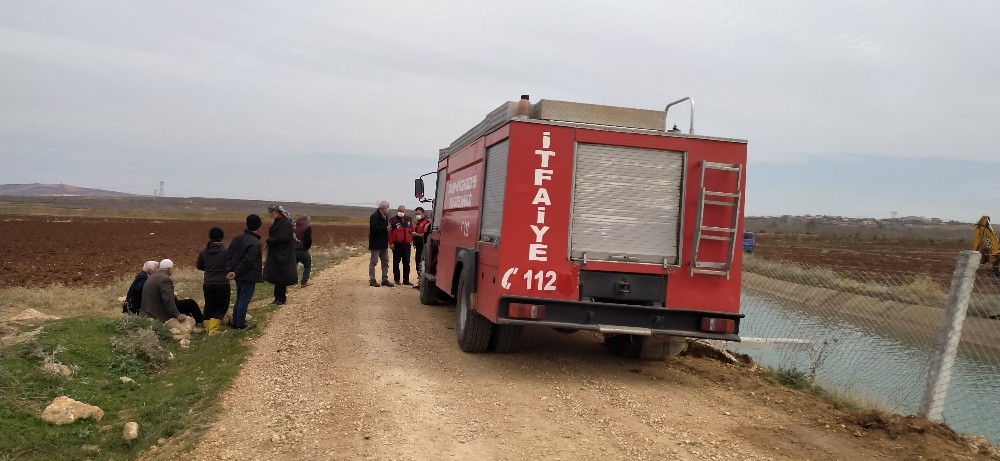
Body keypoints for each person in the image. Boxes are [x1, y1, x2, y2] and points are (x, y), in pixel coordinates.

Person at [227, 214, 263, 329]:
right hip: (247, 275)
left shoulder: (237, 238)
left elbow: (229, 255)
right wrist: (236, 272)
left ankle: (235, 322)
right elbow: (248, 261)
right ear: (259, 226)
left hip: (238, 275)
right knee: (244, 299)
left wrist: (231, 271)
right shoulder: (255, 242)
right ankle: (240, 325)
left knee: (240, 298)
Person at [264, 205, 297, 305]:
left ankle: (280, 299)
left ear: (278, 212)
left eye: (272, 212)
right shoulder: (281, 222)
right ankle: (278, 298)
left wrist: (270, 240)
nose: (271, 215)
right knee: (278, 276)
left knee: (280, 277)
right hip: (278, 253)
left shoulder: (285, 223)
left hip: (282, 254)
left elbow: (285, 237)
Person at [140, 259, 189, 323]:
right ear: (169, 269)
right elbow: (168, 299)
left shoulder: (152, 276)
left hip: (147, 311)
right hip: (156, 314)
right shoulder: (165, 279)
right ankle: (200, 323)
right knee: (190, 303)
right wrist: (177, 314)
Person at [197, 227, 230, 321]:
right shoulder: (226, 250)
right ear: (222, 237)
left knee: (209, 306)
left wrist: (209, 269)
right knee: (221, 307)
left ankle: (207, 326)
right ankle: (214, 327)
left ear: (210, 237)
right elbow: (230, 265)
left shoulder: (203, 250)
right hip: (222, 283)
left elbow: (199, 266)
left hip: (208, 282)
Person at [368, 201, 392, 287]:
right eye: (387, 207)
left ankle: (384, 279)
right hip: (375, 243)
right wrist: (385, 228)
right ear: (383, 208)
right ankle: (372, 280)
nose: (388, 209)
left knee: (385, 261)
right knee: (373, 262)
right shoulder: (374, 216)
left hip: (383, 243)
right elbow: (374, 229)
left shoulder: (385, 216)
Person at [389, 205, 413, 285]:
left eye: (403, 211)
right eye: (400, 210)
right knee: (396, 262)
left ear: (405, 211)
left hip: (406, 245)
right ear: (397, 211)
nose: (401, 212)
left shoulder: (409, 219)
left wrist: (411, 240)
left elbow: (412, 230)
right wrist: (391, 243)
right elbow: (389, 232)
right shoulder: (393, 220)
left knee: (406, 262)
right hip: (397, 244)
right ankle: (397, 280)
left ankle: (406, 280)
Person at [411, 207, 432, 289]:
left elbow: (425, 235)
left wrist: (415, 234)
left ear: (423, 213)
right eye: (416, 214)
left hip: (423, 246)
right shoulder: (419, 222)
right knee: (418, 264)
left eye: (418, 213)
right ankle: (420, 282)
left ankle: (421, 283)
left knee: (421, 264)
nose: (417, 215)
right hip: (419, 246)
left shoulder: (426, 223)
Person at [294, 215, 313, 287]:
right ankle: (304, 282)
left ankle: (285, 285)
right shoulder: (307, 228)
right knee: (307, 266)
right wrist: (307, 248)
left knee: (291, 268)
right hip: (302, 250)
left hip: (293, 251)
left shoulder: (293, 227)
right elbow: (308, 240)